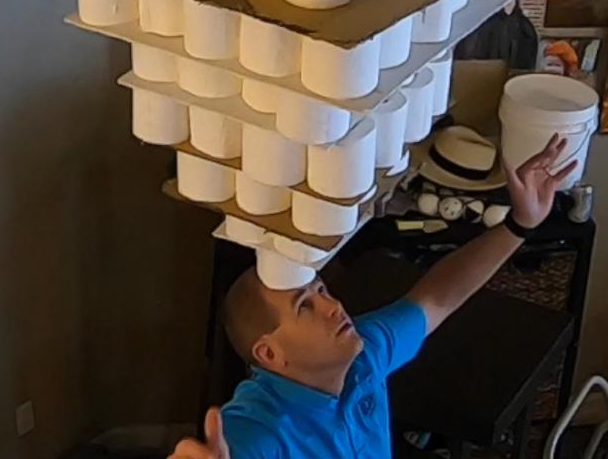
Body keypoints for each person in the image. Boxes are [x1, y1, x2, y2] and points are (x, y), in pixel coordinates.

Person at [170, 134, 578, 459]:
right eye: (305, 307)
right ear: (270, 354)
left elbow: (436, 299)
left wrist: (520, 225)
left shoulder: (364, 355)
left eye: (321, 290)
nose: (333, 306)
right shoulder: (263, 429)